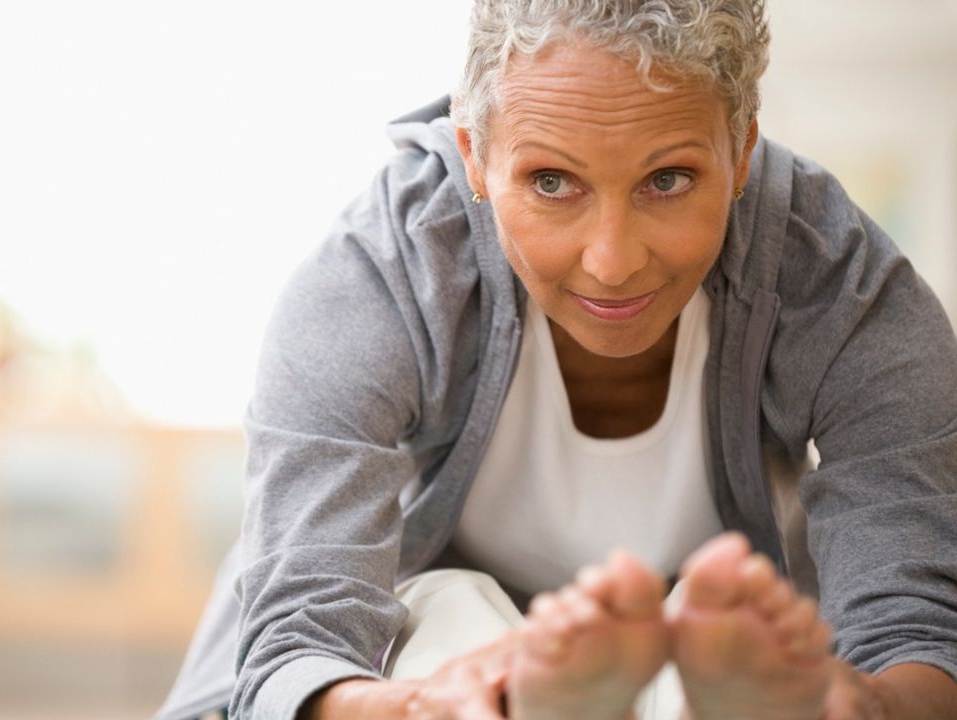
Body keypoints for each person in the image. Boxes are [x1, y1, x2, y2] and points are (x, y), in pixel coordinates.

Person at [156, 1, 957, 718]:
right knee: (445, 610)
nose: (611, 262)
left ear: (741, 152)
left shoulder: (840, 285)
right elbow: (301, 639)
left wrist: (858, 703)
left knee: (733, 643)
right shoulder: (378, 275)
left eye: (668, 180)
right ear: (474, 156)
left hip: (719, 666)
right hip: (426, 668)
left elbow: (915, 626)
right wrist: (423, 707)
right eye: (551, 182)